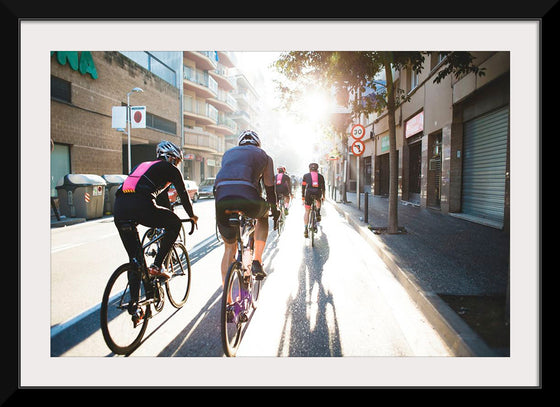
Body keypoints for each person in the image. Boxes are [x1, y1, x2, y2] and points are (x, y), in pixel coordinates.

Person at [113, 140, 198, 322]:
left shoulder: (144, 166)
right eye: (177, 162)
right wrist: (192, 216)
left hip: (119, 207)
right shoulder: (170, 169)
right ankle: (157, 265)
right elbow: (183, 194)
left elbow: (160, 199)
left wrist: (166, 212)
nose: (177, 166)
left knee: (135, 259)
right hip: (140, 205)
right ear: (172, 158)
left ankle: (134, 306)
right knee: (174, 224)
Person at [214, 130, 279, 287]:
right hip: (248, 197)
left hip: (222, 198)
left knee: (229, 248)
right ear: (258, 144)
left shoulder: (228, 154)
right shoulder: (264, 156)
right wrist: (274, 210)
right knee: (262, 216)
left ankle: (227, 302)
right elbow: (270, 187)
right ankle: (257, 260)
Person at [301, 162, 325, 238]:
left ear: (309, 169)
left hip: (308, 193)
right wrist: (323, 196)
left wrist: (303, 197)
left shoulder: (305, 176)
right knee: (318, 200)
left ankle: (305, 229)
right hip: (318, 192)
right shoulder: (321, 176)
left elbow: (303, 187)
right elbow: (323, 187)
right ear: (317, 169)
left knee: (307, 211)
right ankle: (318, 212)